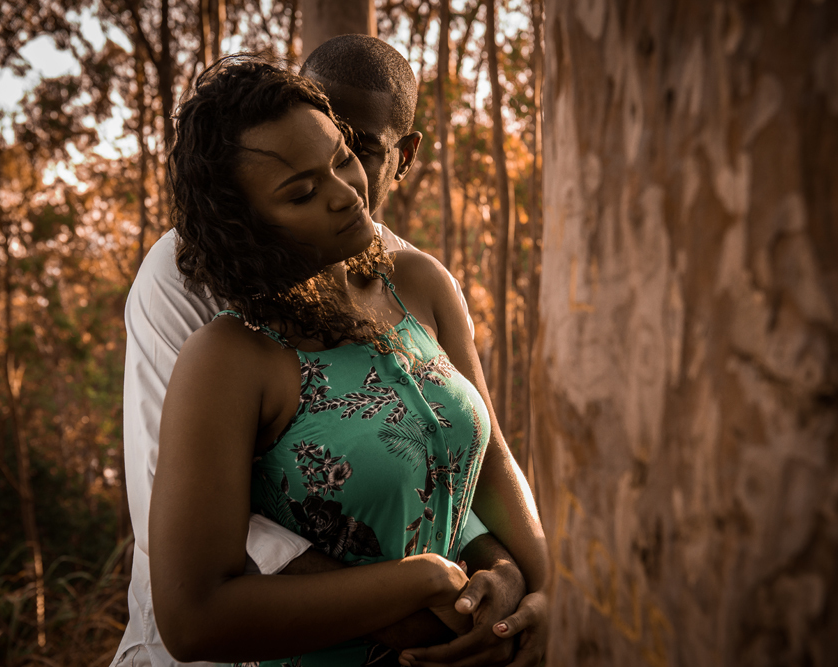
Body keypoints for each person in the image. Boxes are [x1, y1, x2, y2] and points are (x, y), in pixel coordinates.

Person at [114, 37, 545, 667]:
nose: (346, 193)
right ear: (244, 222)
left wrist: (526, 580)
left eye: (348, 154)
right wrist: (419, 594)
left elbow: (478, 463)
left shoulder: (417, 279)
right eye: (299, 192)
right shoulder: (209, 322)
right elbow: (192, 559)